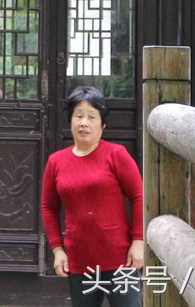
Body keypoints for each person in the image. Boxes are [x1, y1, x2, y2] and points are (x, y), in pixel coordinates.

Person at [42, 85, 145, 307]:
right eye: (78, 116)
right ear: (70, 121)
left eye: (91, 117)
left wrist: (138, 241)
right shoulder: (56, 162)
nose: (84, 123)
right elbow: (49, 207)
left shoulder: (116, 155)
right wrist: (57, 250)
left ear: (102, 123)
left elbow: (139, 197)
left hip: (120, 260)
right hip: (80, 262)